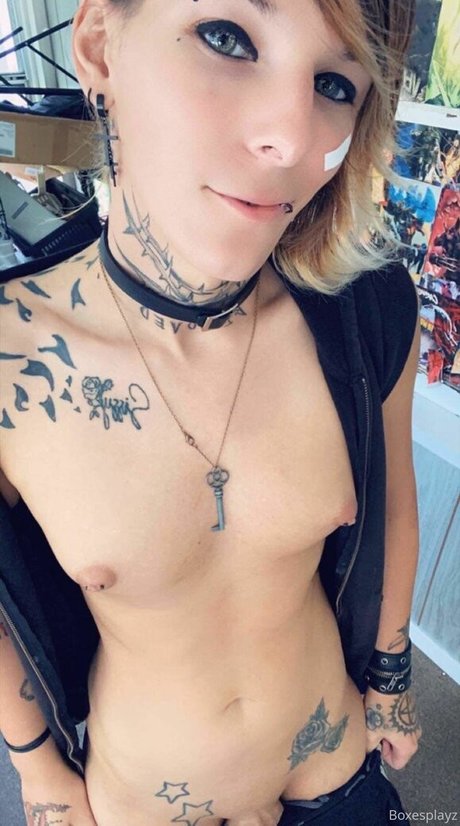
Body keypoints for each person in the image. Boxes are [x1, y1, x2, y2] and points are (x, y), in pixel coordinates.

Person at [0, 1, 422, 824]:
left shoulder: (367, 313)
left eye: (335, 84)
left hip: (333, 764)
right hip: (152, 804)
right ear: (100, 46)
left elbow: (397, 506)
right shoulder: (14, 362)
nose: (290, 139)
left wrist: (393, 673)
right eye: (228, 38)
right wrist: (37, 769)